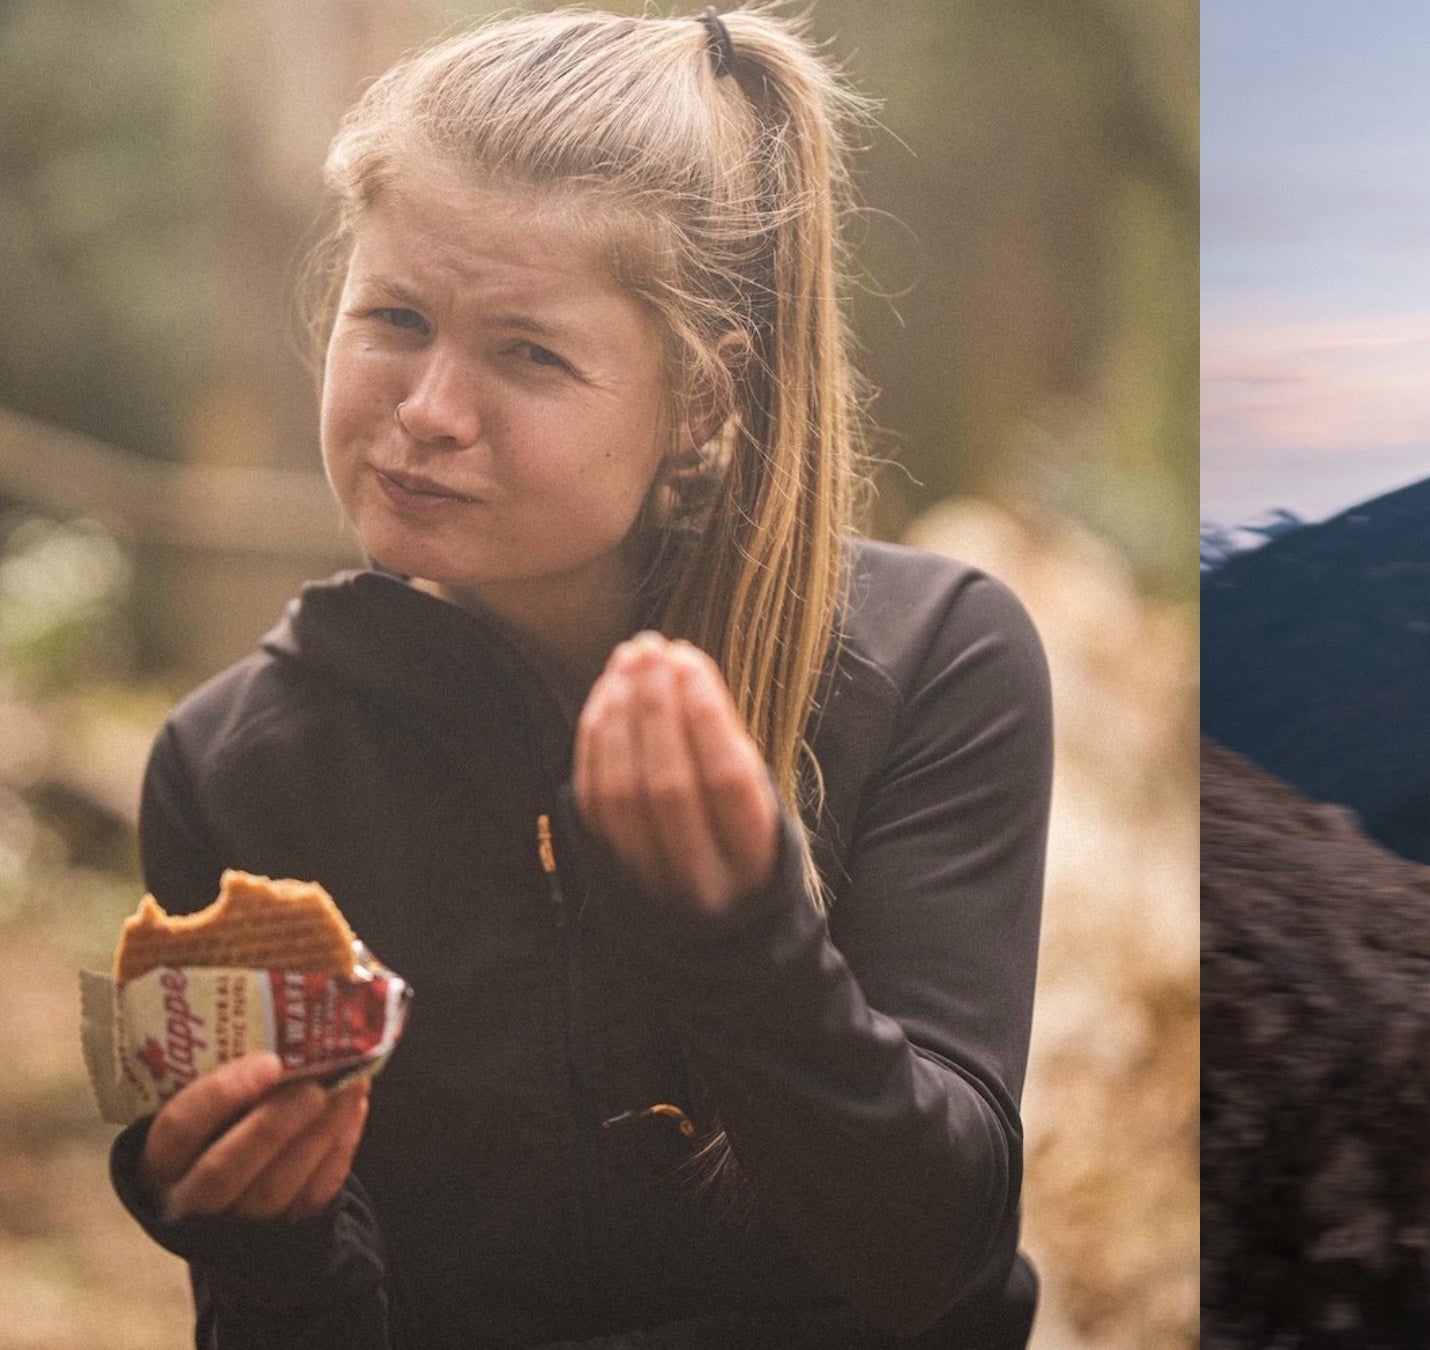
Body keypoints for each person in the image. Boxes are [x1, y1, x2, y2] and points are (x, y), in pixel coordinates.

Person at [106, 9, 1052, 1347]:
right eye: (395, 316)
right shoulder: (234, 765)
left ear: (705, 404)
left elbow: (938, 1259)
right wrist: (273, 1245)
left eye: (527, 352)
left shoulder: (933, 658)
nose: (429, 406)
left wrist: (744, 938)